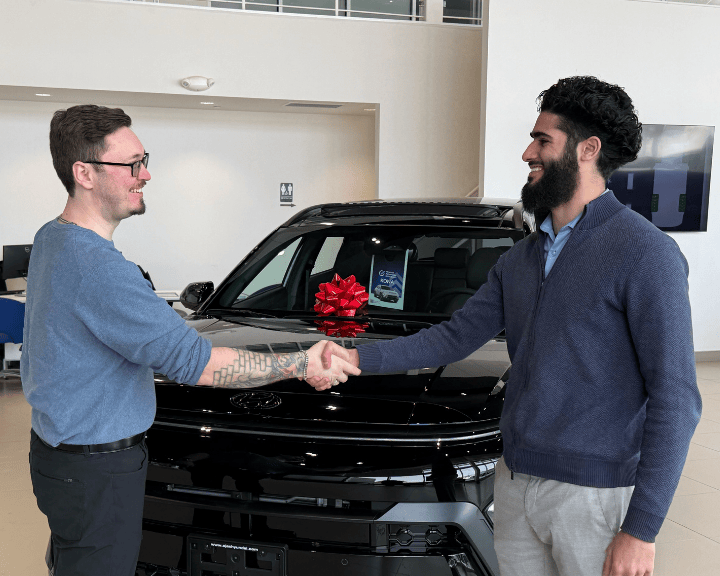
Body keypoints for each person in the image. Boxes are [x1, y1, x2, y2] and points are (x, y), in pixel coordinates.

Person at [316, 76, 701, 576]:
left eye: (543, 140)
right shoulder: (520, 258)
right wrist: (354, 357)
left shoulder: (646, 254)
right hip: (515, 483)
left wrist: (642, 530)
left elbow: (676, 399)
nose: (527, 153)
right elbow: (453, 337)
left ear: (588, 150)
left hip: (594, 496)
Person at [21, 104, 358, 576]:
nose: (146, 174)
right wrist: (301, 362)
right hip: (98, 470)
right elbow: (196, 363)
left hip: (57, 454)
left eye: (144, 160)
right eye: (132, 164)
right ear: (85, 173)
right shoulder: (99, 269)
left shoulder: (52, 237)